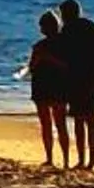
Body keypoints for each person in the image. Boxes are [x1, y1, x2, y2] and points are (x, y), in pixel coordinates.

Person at [56, 0, 94, 171]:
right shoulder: (92, 27)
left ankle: (82, 158)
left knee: (79, 119)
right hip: (93, 78)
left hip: (76, 79)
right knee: (90, 119)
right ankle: (91, 160)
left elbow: (63, 55)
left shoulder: (68, 30)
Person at [25, 10, 69, 168]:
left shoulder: (41, 46)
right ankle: (60, 159)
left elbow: (32, 67)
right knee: (58, 124)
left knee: (50, 124)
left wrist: (46, 59)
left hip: (47, 86)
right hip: (54, 86)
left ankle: (55, 158)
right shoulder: (64, 45)